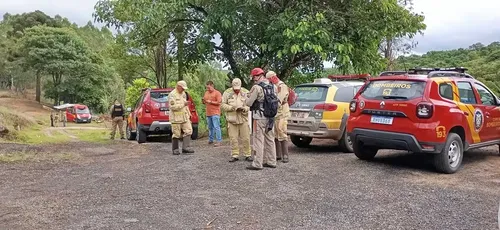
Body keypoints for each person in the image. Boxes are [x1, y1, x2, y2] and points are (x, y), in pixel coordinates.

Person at [245, 68, 278, 170]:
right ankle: (272, 161)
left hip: (259, 117)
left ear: (256, 76)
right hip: (271, 117)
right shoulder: (273, 86)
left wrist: (246, 97)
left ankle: (257, 163)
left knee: (258, 140)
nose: (253, 79)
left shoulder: (257, 88)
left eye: (253, 77)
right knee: (270, 139)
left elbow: (249, 103)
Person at [221, 78, 252, 162]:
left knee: (246, 138)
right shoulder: (227, 93)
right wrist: (232, 108)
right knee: (233, 138)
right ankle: (235, 155)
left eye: (238, 89)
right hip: (232, 119)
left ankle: (248, 154)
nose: (237, 90)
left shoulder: (246, 92)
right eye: (235, 89)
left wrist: (244, 108)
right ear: (232, 86)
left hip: (243, 118)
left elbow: (250, 105)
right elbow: (222, 105)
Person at [266, 71, 290, 163]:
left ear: (273, 78)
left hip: (282, 113)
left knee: (282, 131)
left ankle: (285, 155)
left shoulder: (282, 86)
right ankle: (278, 154)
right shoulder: (273, 86)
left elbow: (279, 100)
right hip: (275, 113)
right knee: (275, 133)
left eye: (269, 79)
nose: (269, 81)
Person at [168, 80, 194, 155]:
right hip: (176, 117)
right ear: (178, 86)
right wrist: (183, 104)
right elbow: (172, 107)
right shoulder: (172, 95)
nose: (183, 90)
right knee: (176, 133)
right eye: (182, 88)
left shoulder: (183, 94)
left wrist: (189, 114)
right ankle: (175, 149)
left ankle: (186, 147)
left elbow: (185, 106)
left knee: (189, 130)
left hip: (184, 116)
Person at [202, 81, 223, 147]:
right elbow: (205, 102)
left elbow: (219, 102)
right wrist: (203, 101)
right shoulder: (206, 93)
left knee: (216, 126)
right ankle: (211, 139)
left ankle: (219, 141)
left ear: (212, 86)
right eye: (207, 87)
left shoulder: (217, 93)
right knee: (210, 127)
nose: (208, 89)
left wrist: (210, 102)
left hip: (215, 112)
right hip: (208, 112)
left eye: (209, 87)